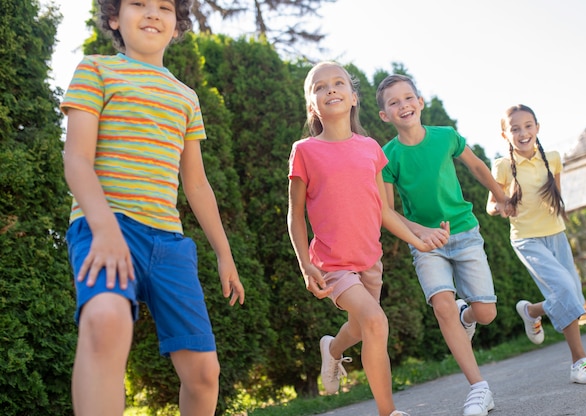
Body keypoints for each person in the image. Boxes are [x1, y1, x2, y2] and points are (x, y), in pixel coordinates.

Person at [61, 0, 245, 414]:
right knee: (106, 322)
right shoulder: (96, 70)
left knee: (203, 374)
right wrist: (105, 228)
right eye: (138, 4)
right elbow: (76, 160)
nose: (152, 13)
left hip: (169, 245)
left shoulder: (186, 97)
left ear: (176, 24)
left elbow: (195, 183)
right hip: (105, 228)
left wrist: (223, 252)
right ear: (114, 18)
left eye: (163, 6)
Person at [287, 62, 450, 416]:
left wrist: (419, 240)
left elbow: (385, 212)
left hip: (369, 260)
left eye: (338, 83)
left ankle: (331, 350)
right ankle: (387, 411)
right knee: (376, 322)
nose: (330, 89)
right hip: (332, 264)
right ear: (312, 104)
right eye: (320, 87)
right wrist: (304, 264)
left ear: (353, 97)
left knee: (360, 328)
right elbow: (295, 213)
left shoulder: (370, 148)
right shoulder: (305, 150)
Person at [376, 74, 512, 416]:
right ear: (384, 116)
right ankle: (479, 389)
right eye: (393, 102)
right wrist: (421, 233)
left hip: (464, 233)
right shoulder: (386, 157)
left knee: (486, 313)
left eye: (408, 98)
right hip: (425, 245)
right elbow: (387, 211)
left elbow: (478, 167)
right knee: (442, 305)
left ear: (420, 103)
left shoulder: (445, 137)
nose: (403, 105)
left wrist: (501, 196)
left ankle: (468, 316)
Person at [487, 104, 586, 385]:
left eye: (528, 126)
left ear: (537, 128)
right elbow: (491, 205)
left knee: (574, 298)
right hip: (527, 240)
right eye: (515, 128)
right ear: (505, 135)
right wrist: (502, 207)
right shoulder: (503, 165)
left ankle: (531, 311)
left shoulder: (552, 159)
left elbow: (557, 197)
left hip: (557, 235)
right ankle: (580, 363)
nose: (523, 132)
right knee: (566, 291)